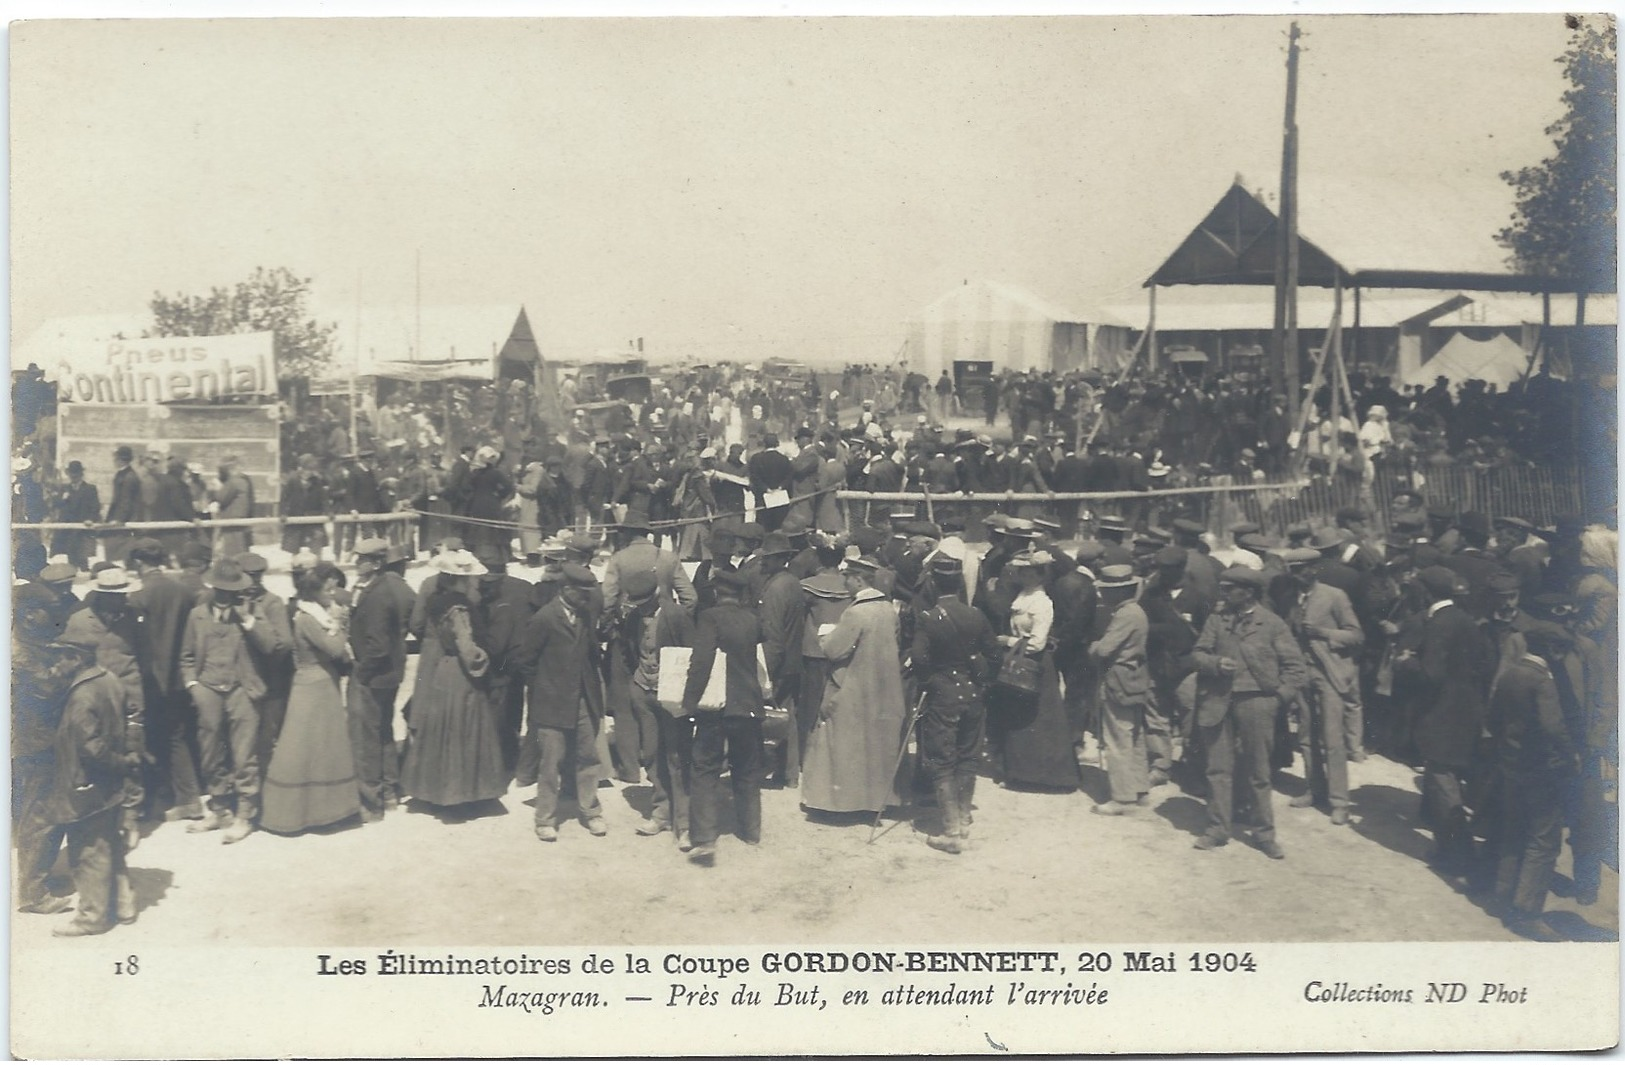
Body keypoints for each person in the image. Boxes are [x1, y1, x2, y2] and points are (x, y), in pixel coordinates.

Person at [1191, 567, 1307, 859]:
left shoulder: (1272, 624)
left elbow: (1296, 668)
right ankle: (1218, 829)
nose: (1225, 593)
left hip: (1257, 704)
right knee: (1218, 769)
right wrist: (1215, 663)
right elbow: (1198, 653)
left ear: (1249, 592)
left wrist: (1278, 699)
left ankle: (1264, 834)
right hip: (1218, 700)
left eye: (1230, 589)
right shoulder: (1217, 620)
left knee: (1259, 771)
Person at [180, 558, 288, 844]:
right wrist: (193, 684)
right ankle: (219, 809)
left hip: (243, 689)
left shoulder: (253, 610)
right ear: (213, 588)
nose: (228, 594)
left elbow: (272, 646)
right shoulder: (198, 614)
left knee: (244, 755)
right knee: (210, 752)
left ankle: (245, 815)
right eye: (223, 589)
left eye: (233, 589)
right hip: (208, 689)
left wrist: (249, 621)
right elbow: (187, 655)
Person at [42, 628, 142, 936]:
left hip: (86, 784)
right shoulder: (110, 679)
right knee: (109, 842)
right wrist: (124, 767)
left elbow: (90, 747)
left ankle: (92, 918)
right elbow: (127, 722)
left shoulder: (81, 695)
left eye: (62, 655)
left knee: (87, 852)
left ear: (77, 657)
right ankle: (124, 905)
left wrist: (119, 763)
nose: (56, 660)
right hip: (109, 785)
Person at [1396, 565, 1491, 877]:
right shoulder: (1465, 619)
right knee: (1451, 780)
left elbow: (1431, 675)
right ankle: (1448, 848)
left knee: (1442, 781)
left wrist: (1407, 661)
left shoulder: (1438, 623)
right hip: (1467, 711)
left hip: (1441, 715)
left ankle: (1460, 855)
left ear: (1425, 591)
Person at [1486, 624, 1576, 940]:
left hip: (1510, 767)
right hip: (1538, 772)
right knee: (1543, 840)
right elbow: (1553, 728)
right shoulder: (1542, 682)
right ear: (1552, 651)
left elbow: (1494, 720)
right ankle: (1526, 912)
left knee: (1513, 832)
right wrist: (1569, 757)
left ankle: (1501, 896)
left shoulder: (1510, 674)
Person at [399, 550, 507, 811]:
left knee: (441, 727)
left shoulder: (437, 600)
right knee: (462, 728)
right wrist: (483, 659)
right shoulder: (459, 609)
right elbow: (466, 647)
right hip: (459, 671)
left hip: (442, 669)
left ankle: (433, 789)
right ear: (460, 579)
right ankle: (460, 794)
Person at [800, 556, 908, 815]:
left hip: (851, 686)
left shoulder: (856, 612)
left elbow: (835, 650)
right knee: (875, 746)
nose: (844, 582)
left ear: (858, 579)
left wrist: (824, 635)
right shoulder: (887, 610)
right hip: (882, 687)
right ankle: (876, 801)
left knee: (843, 745)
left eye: (847, 577)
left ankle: (839, 804)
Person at [260, 567, 362, 834]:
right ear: (313, 592)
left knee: (323, 747)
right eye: (328, 589)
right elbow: (336, 649)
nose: (333, 593)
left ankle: (326, 812)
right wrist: (341, 622)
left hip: (320, 684)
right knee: (308, 747)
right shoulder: (307, 618)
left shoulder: (316, 615)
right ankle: (297, 814)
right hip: (313, 686)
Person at [910, 555, 1001, 853]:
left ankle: (951, 831)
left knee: (942, 759)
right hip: (973, 695)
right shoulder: (976, 615)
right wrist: (982, 682)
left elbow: (920, 659)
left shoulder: (928, 617)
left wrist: (929, 682)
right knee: (968, 756)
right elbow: (995, 656)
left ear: (934, 582)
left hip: (943, 697)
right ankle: (962, 818)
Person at [680, 568, 767, 863]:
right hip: (748, 704)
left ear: (716, 591)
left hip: (717, 707)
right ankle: (751, 831)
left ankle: (704, 837)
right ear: (741, 593)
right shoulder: (752, 620)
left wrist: (688, 701)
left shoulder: (710, 618)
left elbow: (701, 661)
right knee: (747, 767)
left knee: (705, 768)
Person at [519, 562, 608, 842]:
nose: (587, 598)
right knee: (550, 763)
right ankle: (545, 818)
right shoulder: (545, 618)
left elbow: (592, 653)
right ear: (566, 590)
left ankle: (591, 812)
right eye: (582, 593)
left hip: (583, 699)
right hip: (552, 702)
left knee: (588, 757)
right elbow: (527, 662)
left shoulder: (584, 614)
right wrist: (545, 691)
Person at [987, 550, 1080, 791]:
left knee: (1040, 720)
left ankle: (1046, 775)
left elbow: (1038, 641)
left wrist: (1006, 641)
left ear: (1041, 575)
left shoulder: (1042, 602)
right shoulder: (1022, 595)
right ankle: (1018, 771)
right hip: (1019, 659)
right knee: (1018, 719)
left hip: (1036, 664)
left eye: (1030, 573)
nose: (1024, 576)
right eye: (1022, 572)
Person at [1283, 547, 1364, 825]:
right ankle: (1314, 789)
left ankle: (1339, 801)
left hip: (1330, 673)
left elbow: (1356, 635)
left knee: (1332, 740)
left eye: (1302, 570)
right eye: (1293, 570)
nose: (1297, 575)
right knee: (1306, 736)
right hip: (1303, 674)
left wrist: (1323, 633)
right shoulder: (1292, 598)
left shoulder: (1334, 596)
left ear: (1314, 569)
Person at [127, 538, 204, 822]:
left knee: (162, 737)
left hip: (153, 681)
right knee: (178, 734)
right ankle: (176, 794)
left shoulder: (139, 597)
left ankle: (186, 799)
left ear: (138, 562)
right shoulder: (184, 592)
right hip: (182, 677)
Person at [348, 536, 417, 821]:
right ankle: (390, 792)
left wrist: (361, 674)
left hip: (373, 677)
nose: (356, 563)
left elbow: (377, 647)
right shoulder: (384, 587)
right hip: (389, 675)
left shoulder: (377, 596)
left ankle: (371, 803)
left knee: (367, 740)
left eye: (361, 560)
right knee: (385, 733)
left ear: (376, 564)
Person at [1088, 564, 1153, 815]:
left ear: (1117, 592)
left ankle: (1123, 798)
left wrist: (1094, 647)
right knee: (1134, 736)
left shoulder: (1125, 615)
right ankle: (1138, 788)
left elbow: (1104, 650)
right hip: (1134, 679)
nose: (1102, 595)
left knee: (1117, 738)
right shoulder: (1136, 611)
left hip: (1119, 679)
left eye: (1105, 590)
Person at [50, 460, 100, 571]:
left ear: (81, 475)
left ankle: (85, 576)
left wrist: (90, 519)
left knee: (82, 557)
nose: (73, 478)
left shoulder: (90, 489)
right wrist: (63, 498)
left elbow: (95, 507)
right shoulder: (64, 488)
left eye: (76, 475)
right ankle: (71, 577)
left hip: (82, 529)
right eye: (71, 475)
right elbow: (55, 504)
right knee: (70, 556)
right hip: (67, 529)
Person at [104, 445, 144, 562]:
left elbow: (126, 501)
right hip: (122, 518)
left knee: (120, 552)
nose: (114, 461)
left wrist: (118, 519)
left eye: (115, 458)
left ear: (120, 459)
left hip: (126, 520)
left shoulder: (129, 477)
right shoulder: (122, 474)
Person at [212, 455, 255, 559]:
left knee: (232, 551)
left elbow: (221, 498)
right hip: (241, 518)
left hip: (232, 519)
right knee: (241, 548)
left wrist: (218, 487)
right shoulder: (244, 481)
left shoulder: (233, 482)